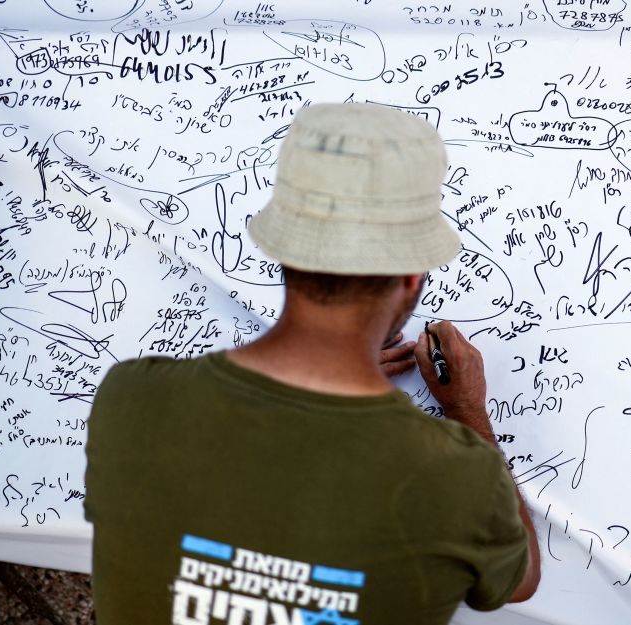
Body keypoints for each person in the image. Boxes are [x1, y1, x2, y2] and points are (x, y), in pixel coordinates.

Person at [84, 102, 541, 625]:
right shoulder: (458, 478)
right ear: (413, 276)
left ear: (283, 250)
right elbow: (520, 580)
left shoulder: (133, 397)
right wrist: (465, 407)